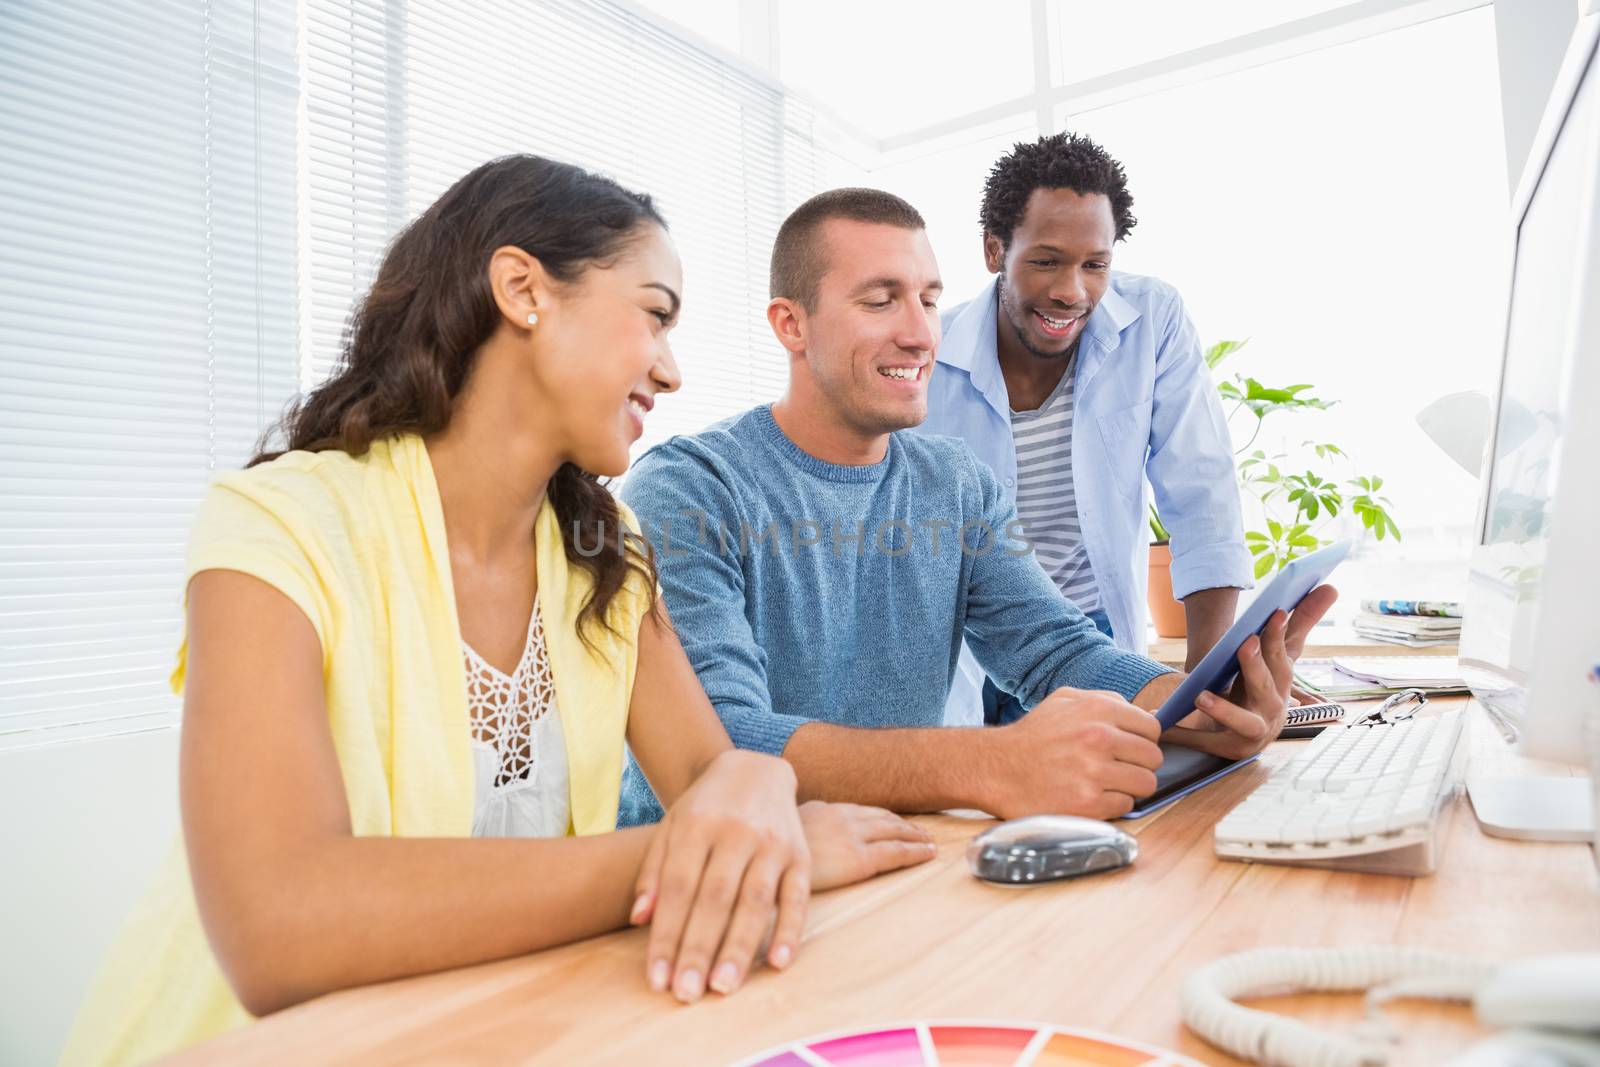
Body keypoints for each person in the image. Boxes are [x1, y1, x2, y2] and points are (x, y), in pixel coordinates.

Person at [61, 157, 935, 1067]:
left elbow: (716, 778)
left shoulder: (608, 557)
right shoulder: (281, 523)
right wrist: (675, 853)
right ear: (523, 289)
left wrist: (755, 791)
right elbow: (277, 924)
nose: (671, 370)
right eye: (655, 314)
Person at [616, 188, 1334, 827]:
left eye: (928, 299)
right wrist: (990, 762)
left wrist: (1202, 704)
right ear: (790, 324)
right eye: (879, 299)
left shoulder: (954, 482)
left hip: (893, 864)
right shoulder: (688, 488)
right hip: (699, 884)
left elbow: (1056, 650)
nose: (921, 333)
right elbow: (726, 739)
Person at [921, 132, 1250, 726]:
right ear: (995, 250)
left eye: (1094, 265)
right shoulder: (929, 355)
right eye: (1045, 261)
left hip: (1090, 639)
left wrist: (1205, 692)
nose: (1071, 292)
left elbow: (1202, 493)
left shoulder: (1153, 321)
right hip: (966, 648)